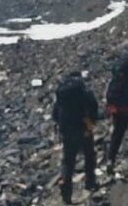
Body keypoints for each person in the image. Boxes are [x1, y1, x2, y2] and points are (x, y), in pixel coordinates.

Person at [52, 71, 100, 203]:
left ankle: (66, 188)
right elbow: (94, 107)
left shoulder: (62, 94)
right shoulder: (84, 91)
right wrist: (92, 122)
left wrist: (61, 126)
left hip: (67, 132)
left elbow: (55, 114)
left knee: (68, 161)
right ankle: (90, 183)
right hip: (84, 129)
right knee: (89, 155)